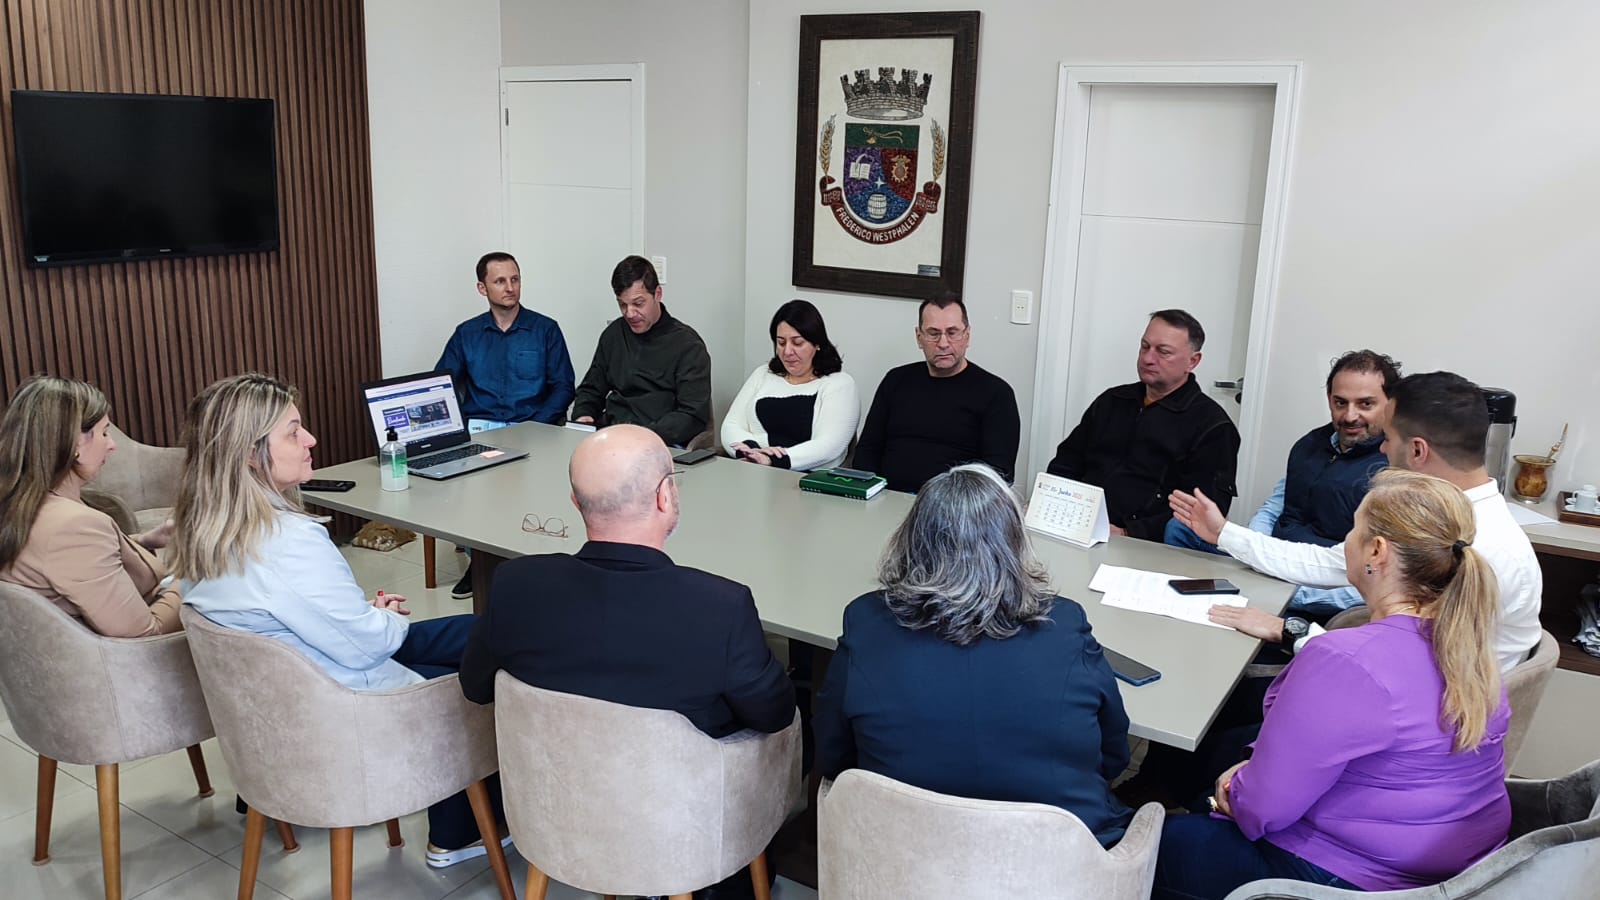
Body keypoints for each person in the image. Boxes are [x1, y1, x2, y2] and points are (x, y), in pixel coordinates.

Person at [171, 373, 500, 869]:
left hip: (303, 687)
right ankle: (462, 831)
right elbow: (364, 646)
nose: (311, 440)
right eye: (293, 431)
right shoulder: (291, 541)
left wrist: (365, 616)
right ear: (248, 452)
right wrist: (378, 618)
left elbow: (304, 615)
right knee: (486, 674)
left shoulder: (203, 531)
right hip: (350, 701)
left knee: (484, 633)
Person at [1153, 469, 1512, 897]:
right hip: (1460, 873)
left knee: (1146, 844)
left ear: (1376, 551)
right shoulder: (1470, 651)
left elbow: (1259, 810)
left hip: (1347, 878)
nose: (1345, 542)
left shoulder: (1347, 658)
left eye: (1353, 529)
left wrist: (1238, 783)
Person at [813, 463, 1134, 848]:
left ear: (911, 541)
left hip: (903, 858)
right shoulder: (1064, 625)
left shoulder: (866, 622)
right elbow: (1113, 754)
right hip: (1056, 863)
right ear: (1014, 542)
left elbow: (834, 756)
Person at [1170, 371, 1541, 672]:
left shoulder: (1477, 549)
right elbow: (1329, 562)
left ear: (1416, 451)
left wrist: (1289, 631)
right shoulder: (1436, 517)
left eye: (1389, 437)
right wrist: (1225, 534)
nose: (1381, 449)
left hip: (1425, 733)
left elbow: (1398, 673)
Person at [1165, 350, 1400, 620]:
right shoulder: (1310, 444)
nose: (1350, 416)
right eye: (1340, 402)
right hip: (1272, 558)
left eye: (1365, 404)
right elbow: (1274, 506)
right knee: (1181, 528)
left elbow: (1371, 581)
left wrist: (1291, 593)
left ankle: (1251, 604)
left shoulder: (1394, 467)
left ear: (1390, 404)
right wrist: (1253, 550)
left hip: (1315, 583)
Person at [0, 375, 181, 637]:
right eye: (104, 432)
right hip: (133, 666)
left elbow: (69, 562)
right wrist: (193, 576)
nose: (112, 445)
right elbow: (145, 634)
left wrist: (145, 540)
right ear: (74, 442)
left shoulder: (20, 504)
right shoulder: (74, 527)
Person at [1047, 309, 1240, 541]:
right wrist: (1051, 503)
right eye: (1144, 346)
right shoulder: (1113, 401)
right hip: (1077, 526)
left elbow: (1200, 513)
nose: (1148, 358)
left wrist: (1128, 532)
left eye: (1163, 352)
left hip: (1147, 543)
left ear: (1193, 361)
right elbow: (1066, 462)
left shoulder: (1213, 426)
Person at [852, 297, 1020, 492]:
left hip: (955, 509)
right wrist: (872, 492)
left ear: (967, 336)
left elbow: (998, 474)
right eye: (933, 333)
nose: (943, 343)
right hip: (886, 497)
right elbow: (867, 450)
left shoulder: (996, 393)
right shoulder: (896, 380)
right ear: (919, 337)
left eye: (952, 333)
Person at [571, 255, 712, 447]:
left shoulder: (688, 345)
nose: (629, 313)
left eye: (638, 304)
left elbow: (692, 414)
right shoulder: (614, 335)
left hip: (660, 441)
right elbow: (591, 389)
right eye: (622, 304)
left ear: (658, 294)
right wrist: (583, 414)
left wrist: (643, 437)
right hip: (613, 435)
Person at [435, 251, 576, 433]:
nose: (510, 288)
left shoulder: (546, 330)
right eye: (500, 281)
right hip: (480, 429)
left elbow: (563, 387)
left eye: (515, 280)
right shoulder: (466, 334)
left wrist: (537, 426)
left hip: (531, 428)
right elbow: (441, 387)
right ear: (482, 288)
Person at [721, 299, 859, 471]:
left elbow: (829, 446)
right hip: (754, 470)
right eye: (781, 342)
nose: (787, 352)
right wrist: (751, 452)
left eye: (797, 343)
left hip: (810, 479)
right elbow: (731, 426)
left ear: (816, 344)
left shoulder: (839, 383)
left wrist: (774, 459)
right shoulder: (763, 374)